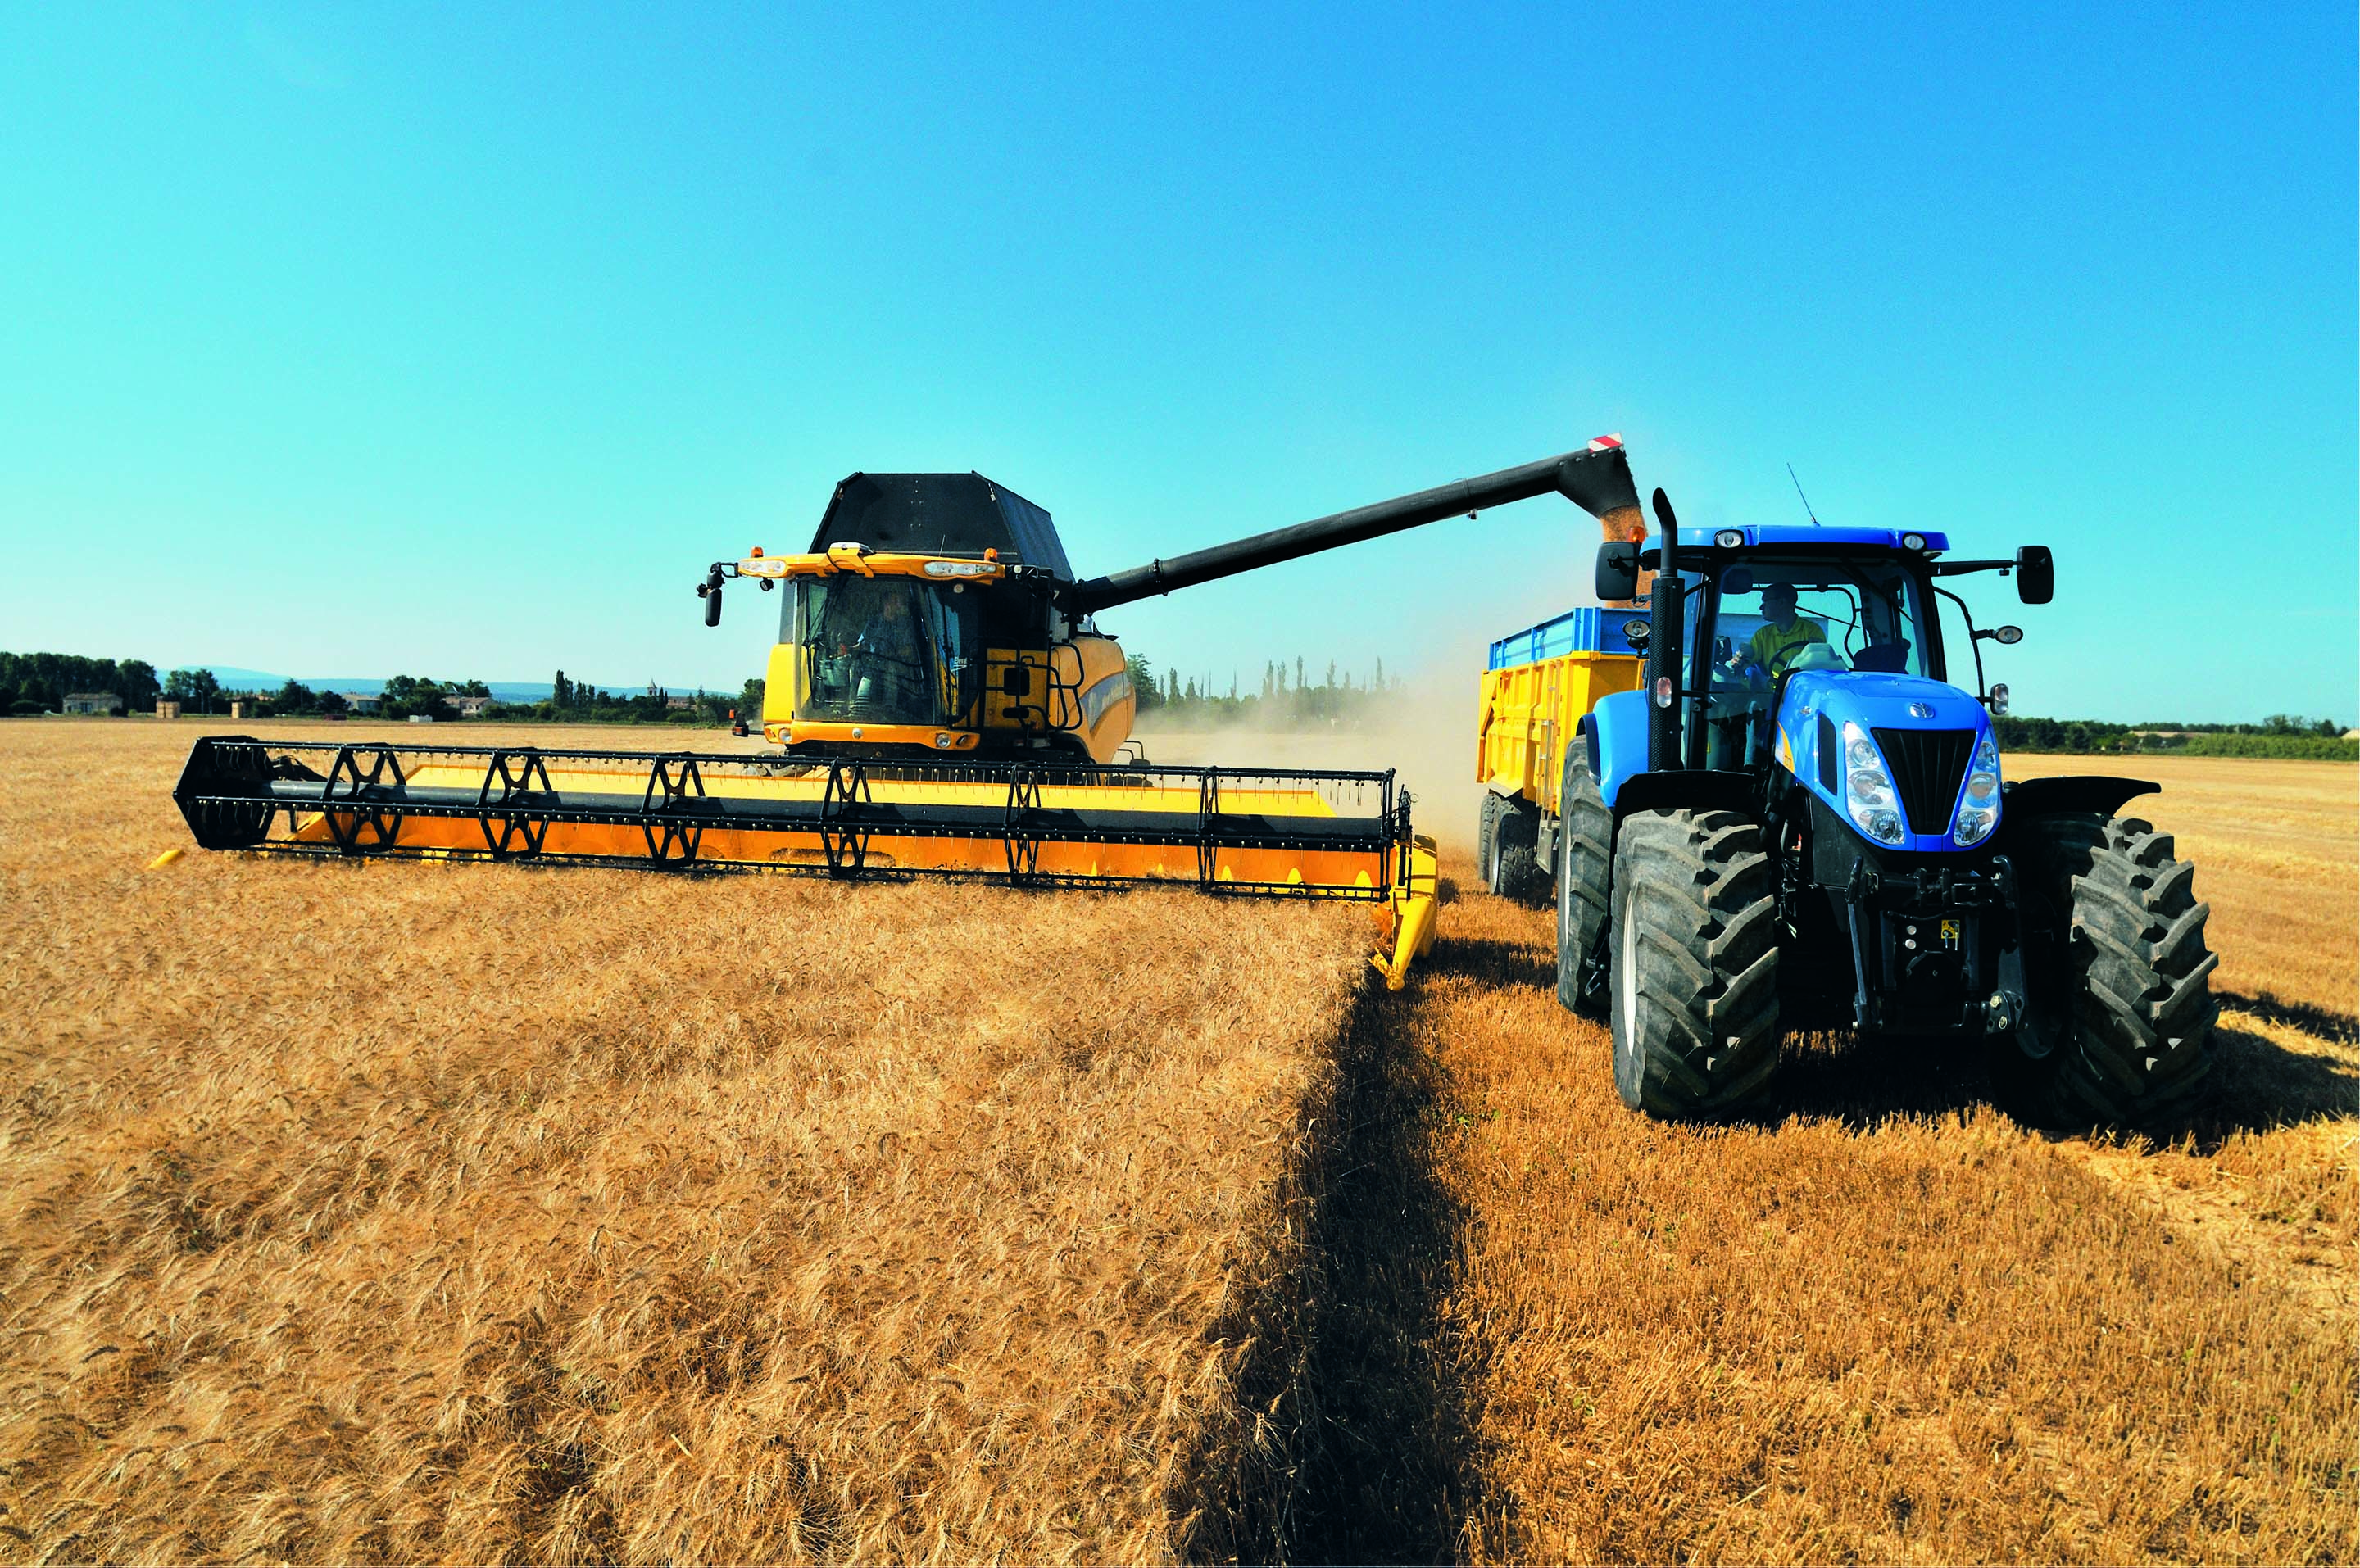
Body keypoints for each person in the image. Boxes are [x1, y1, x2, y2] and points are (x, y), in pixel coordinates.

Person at [1744, 582, 1827, 678]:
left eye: (1765, 602)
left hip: (1801, 689)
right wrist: (1741, 659)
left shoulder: (1812, 631)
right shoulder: (1762, 635)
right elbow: (1748, 659)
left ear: (1782, 602)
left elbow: (1819, 666)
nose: (1761, 607)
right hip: (1771, 692)